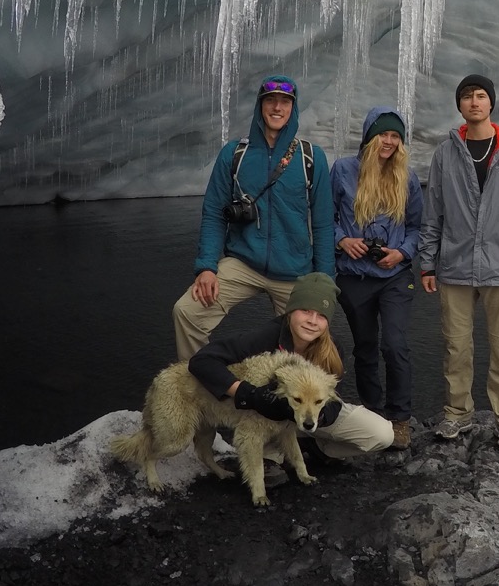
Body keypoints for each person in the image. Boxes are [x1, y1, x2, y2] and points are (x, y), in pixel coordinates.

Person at [418, 74, 499, 448]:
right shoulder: (446, 153)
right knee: (455, 347)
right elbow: (433, 214)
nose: (474, 102)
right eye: (466, 97)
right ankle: (457, 415)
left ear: (491, 103)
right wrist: (427, 264)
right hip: (455, 267)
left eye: (480, 96)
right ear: (459, 106)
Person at [172, 74, 334, 361]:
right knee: (187, 312)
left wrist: (325, 283)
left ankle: (295, 400)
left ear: (292, 109)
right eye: (270, 100)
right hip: (243, 262)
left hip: (295, 270)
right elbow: (213, 214)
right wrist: (206, 267)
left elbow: (323, 225)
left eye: (285, 102)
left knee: (308, 340)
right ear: (260, 106)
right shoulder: (234, 154)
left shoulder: (311, 158)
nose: (277, 108)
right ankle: (198, 385)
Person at [188, 271, 394, 458]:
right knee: (263, 465)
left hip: (309, 416)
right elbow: (202, 361)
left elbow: (333, 399)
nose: (313, 321)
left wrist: (321, 417)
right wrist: (246, 393)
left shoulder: (332, 349)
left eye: (321, 315)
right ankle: (276, 453)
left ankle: (319, 448)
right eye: (305, 310)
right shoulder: (266, 337)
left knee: (382, 434)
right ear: (290, 311)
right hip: (268, 418)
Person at [331, 106, 423, 450]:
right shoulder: (342, 170)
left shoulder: (407, 178)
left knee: (394, 345)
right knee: (366, 348)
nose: (389, 142)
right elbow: (325, 218)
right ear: (370, 137)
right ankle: (373, 414)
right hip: (353, 276)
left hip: (394, 276)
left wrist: (402, 253)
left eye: (395, 137)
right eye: (383, 134)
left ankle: (400, 419)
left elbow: (416, 227)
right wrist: (342, 239)